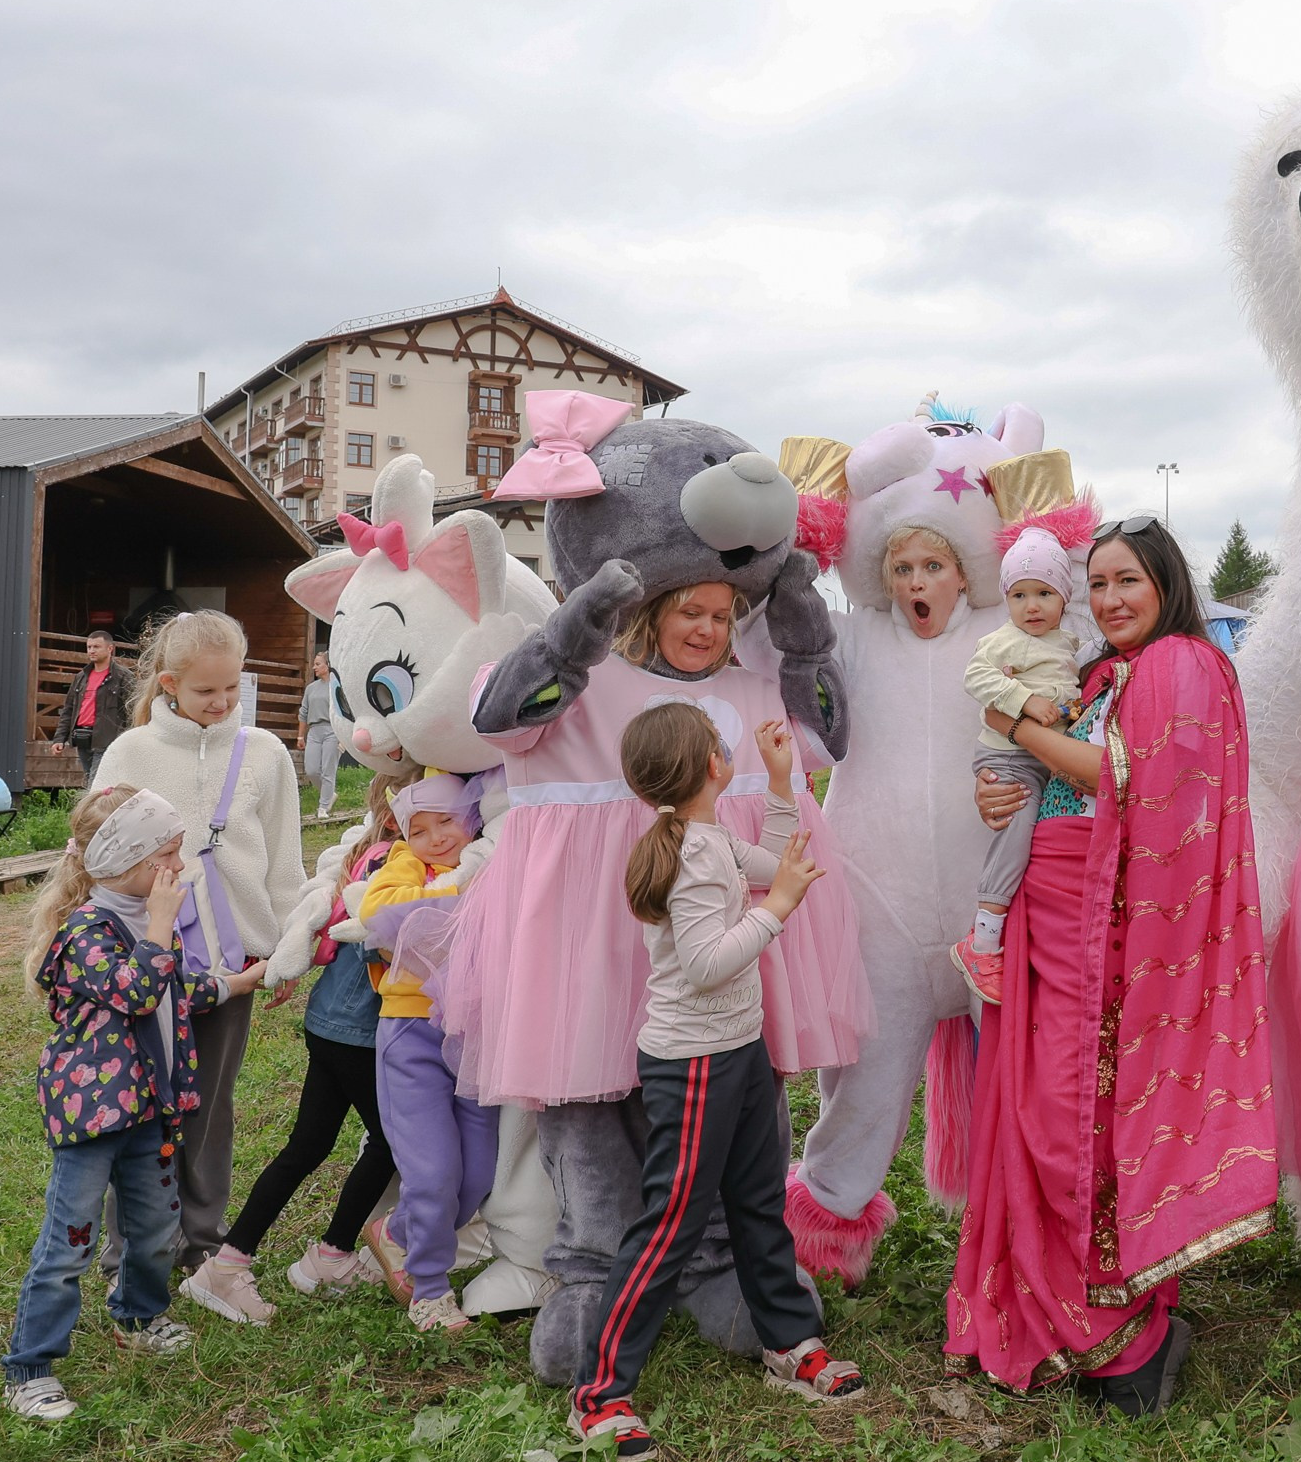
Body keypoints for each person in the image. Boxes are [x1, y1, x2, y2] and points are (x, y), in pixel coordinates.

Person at [452, 570, 860, 1382]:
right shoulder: (589, 696)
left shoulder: (723, 787)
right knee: (600, 1114)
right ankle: (596, 1274)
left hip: (726, 1020)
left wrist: (781, 781)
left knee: (743, 1143)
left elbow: (819, 749)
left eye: (722, 615)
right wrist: (778, 906)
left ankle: (726, 1270)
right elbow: (496, 713)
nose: (708, 629)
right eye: (690, 612)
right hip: (624, 971)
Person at [951, 516, 1277, 1417]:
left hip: (1114, 926)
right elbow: (1053, 773)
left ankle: (1122, 1326)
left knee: (1076, 1117)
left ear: (1166, 581)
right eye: (1096, 584)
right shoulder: (1104, 672)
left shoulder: (1180, 662)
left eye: (1127, 579)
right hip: (1053, 909)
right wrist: (998, 781)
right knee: (1041, 1105)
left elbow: (1117, 778)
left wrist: (1012, 721)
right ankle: (1074, 1311)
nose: (1109, 599)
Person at [570, 703, 861, 1462]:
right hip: (694, 1063)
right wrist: (780, 909)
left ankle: (788, 1341)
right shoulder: (691, 857)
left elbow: (769, 863)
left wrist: (779, 784)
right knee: (670, 1221)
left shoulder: (709, 838)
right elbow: (704, 965)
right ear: (708, 764)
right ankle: (599, 1394)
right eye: (721, 745)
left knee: (759, 1200)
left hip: (738, 1051)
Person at [0, 785, 266, 1422]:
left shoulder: (144, 923)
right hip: (92, 1116)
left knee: (153, 1230)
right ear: (126, 861)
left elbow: (175, 990)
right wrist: (160, 925)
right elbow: (138, 992)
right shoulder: (86, 931)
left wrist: (239, 982)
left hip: (149, 1109)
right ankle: (29, 1368)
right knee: (71, 1242)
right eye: (167, 856)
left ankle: (140, 1316)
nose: (178, 867)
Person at [92, 610, 304, 1277]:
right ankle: (131, 1244)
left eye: (232, 688)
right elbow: (97, 852)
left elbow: (284, 860)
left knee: (210, 1104)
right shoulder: (131, 754)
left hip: (235, 964)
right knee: (140, 1102)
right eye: (206, 690)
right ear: (169, 684)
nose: (221, 701)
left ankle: (201, 1236)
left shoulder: (266, 754)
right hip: (148, 960)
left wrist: (286, 948)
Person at [182, 775, 405, 1326]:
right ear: (397, 816)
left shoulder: (367, 854)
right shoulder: (391, 864)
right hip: (356, 1030)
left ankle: (228, 1264)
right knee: (391, 1141)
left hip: (330, 1022)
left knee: (307, 1145)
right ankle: (330, 1255)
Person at [346, 772, 500, 1333]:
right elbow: (381, 912)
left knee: (475, 1178)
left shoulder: (493, 860)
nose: (435, 838)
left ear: (472, 822)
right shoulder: (407, 864)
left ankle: (395, 1232)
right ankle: (430, 1290)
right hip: (411, 1033)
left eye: (447, 822)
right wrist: (459, 890)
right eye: (419, 828)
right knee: (432, 1175)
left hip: (477, 1033)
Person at [952, 526, 1082, 1002]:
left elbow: (1061, 693)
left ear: (1065, 597)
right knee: (1017, 831)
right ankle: (982, 942)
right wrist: (1023, 699)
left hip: (1043, 757)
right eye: (1019, 595)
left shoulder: (1066, 644)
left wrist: (1069, 709)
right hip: (1009, 758)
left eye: (1044, 593)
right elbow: (975, 676)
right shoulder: (1005, 640)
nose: (1032, 606)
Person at [51, 629, 133, 784]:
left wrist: (127, 739)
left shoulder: (123, 676)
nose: (92, 651)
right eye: (89, 647)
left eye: (96, 647)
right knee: (91, 780)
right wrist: (59, 738)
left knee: (95, 783)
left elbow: (133, 710)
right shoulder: (81, 677)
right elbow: (68, 709)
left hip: (107, 739)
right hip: (83, 737)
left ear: (110, 648)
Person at [301, 650, 341, 819]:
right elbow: (303, 712)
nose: (314, 667)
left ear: (328, 665)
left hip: (333, 730)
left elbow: (345, 712)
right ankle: (330, 794)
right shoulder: (311, 688)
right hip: (314, 731)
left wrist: (343, 737)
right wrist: (300, 736)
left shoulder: (337, 687)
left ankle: (323, 807)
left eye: (318, 664)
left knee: (328, 770)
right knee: (311, 770)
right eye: (314, 664)